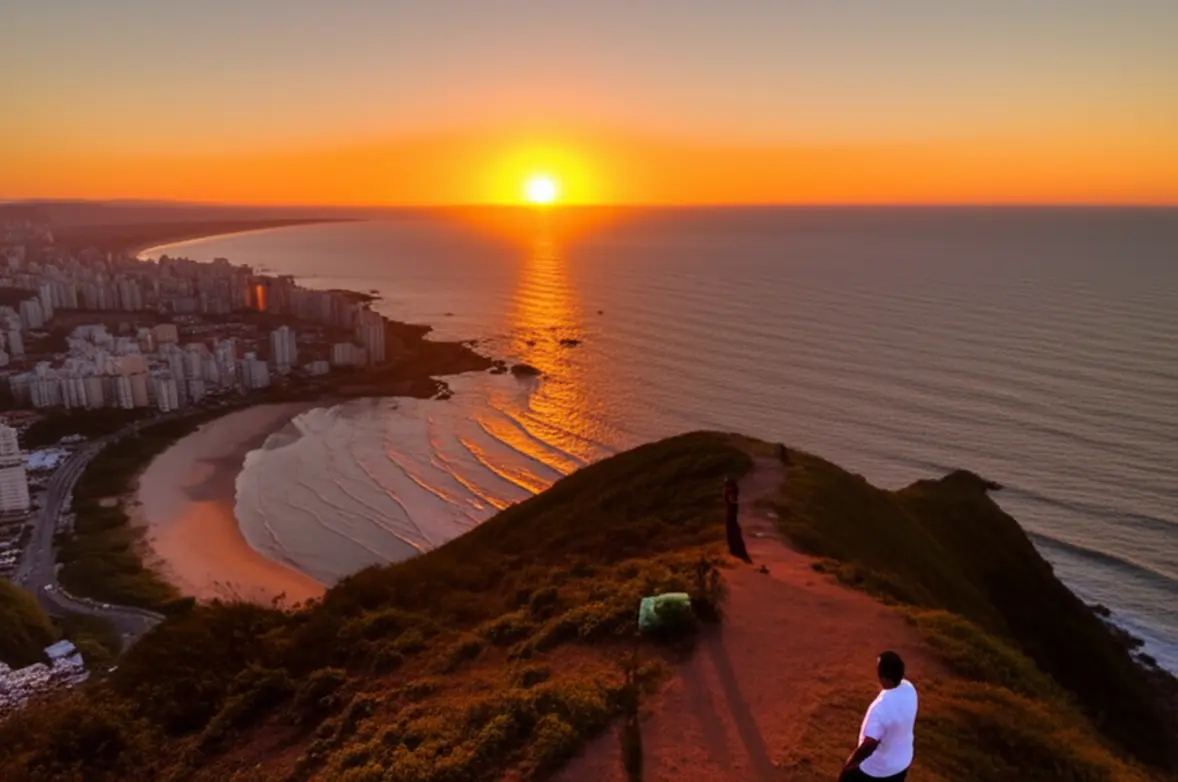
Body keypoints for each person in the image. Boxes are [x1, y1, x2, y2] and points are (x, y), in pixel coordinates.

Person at [840, 651, 918, 782]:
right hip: (901, 764)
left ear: (885, 678)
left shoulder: (880, 708)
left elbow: (868, 745)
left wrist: (850, 764)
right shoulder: (909, 688)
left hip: (877, 771)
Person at [722, 477, 751, 562]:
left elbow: (731, 500)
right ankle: (735, 550)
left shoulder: (731, 490)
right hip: (731, 511)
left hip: (731, 512)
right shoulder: (732, 489)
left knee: (732, 530)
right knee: (732, 529)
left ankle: (736, 551)